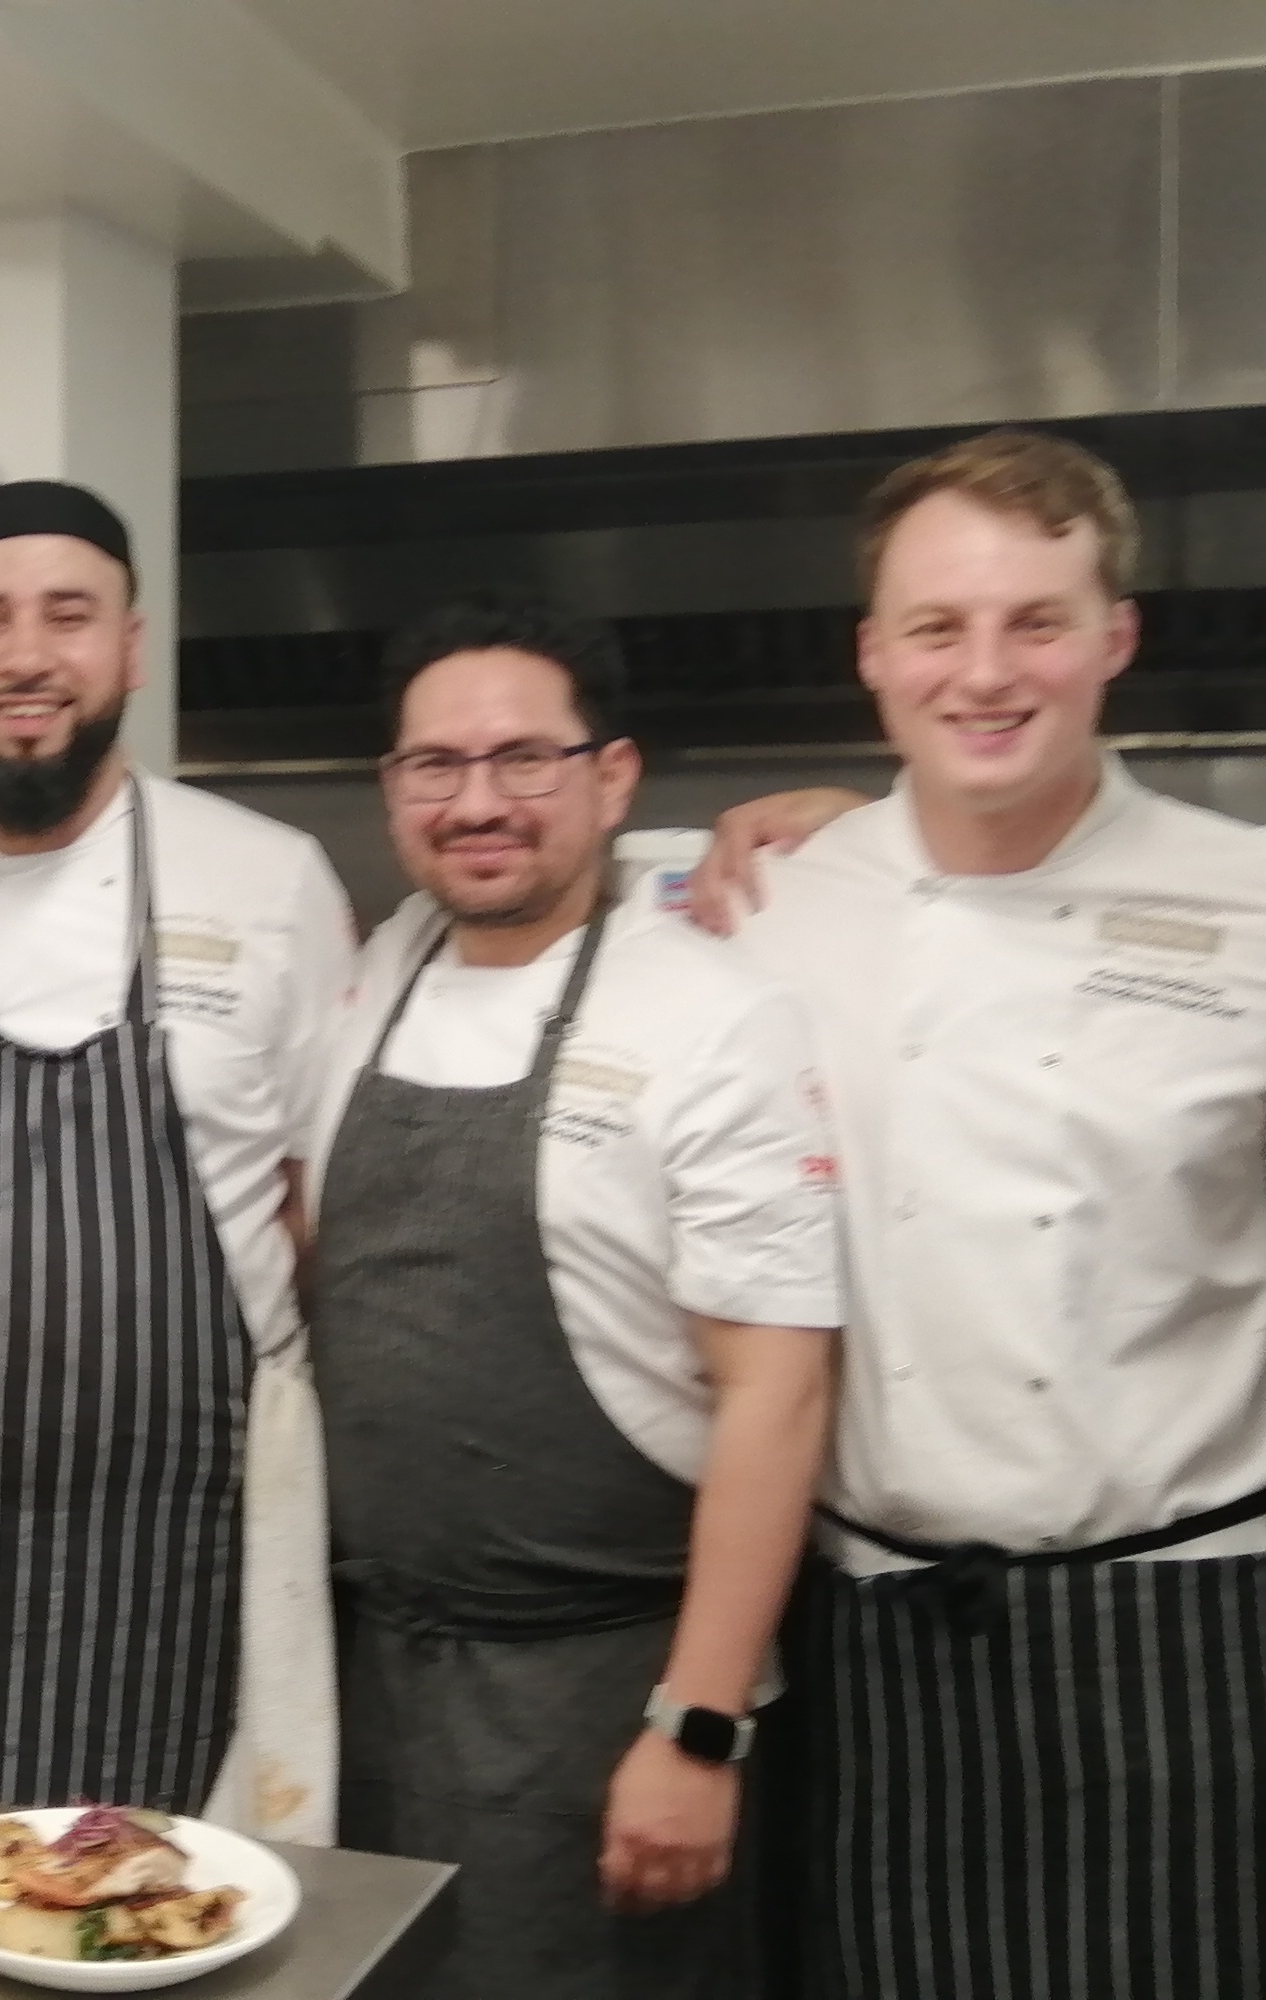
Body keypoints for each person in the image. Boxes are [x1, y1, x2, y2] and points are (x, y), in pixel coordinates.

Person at [692, 430, 1266, 1996]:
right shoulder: (780, 903)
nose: (985, 673)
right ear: (873, 657)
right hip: (881, 1629)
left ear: (1115, 637)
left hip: (1183, 1630)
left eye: (1036, 624)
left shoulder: (1263, 899)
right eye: (938, 628)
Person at [0, 480, 351, 1837]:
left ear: (131, 648)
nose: (24, 654)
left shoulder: (275, 882)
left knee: (181, 1927)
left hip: (201, 1545)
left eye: (68, 615)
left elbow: (316, 1209)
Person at [302, 600, 837, 1997]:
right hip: (379, 1680)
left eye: (525, 760)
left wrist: (697, 1727)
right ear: (393, 789)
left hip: (602, 1692)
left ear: (612, 778)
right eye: (435, 765)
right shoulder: (378, 975)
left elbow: (778, 1390)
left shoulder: (712, 1016)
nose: (477, 802)